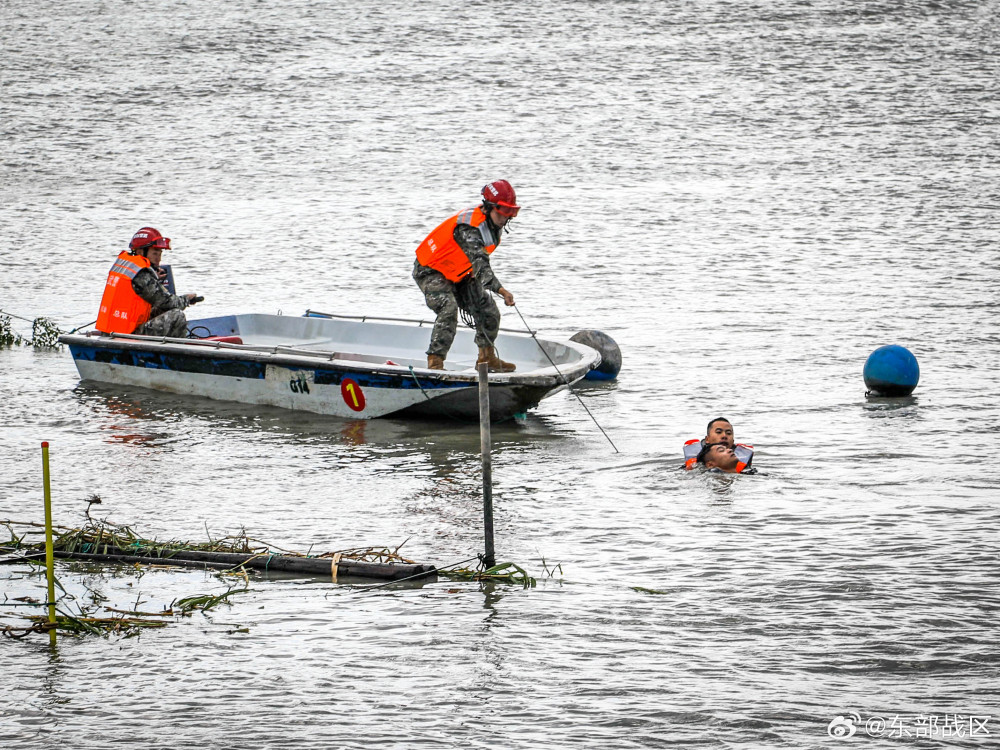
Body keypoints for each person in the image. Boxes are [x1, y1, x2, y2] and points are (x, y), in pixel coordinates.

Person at [413, 180, 520, 371]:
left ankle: (486, 359)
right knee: (448, 308)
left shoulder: (493, 225)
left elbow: (476, 265)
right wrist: (501, 290)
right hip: (431, 269)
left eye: (511, 212)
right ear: (489, 207)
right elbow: (480, 265)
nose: (506, 217)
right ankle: (435, 363)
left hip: (458, 273)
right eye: (503, 211)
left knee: (488, 310)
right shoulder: (469, 228)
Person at [96, 227, 202, 338]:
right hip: (128, 334)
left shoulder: (128, 266)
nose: (159, 259)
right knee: (177, 315)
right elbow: (167, 302)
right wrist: (186, 299)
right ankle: (176, 352)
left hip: (112, 329)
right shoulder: (142, 274)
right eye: (155, 254)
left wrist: (154, 278)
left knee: (160, 309)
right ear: (140, 251)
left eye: (160, 254)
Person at [683, 417, 754, 470]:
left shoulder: (746, 469)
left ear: (733, 441)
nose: (724, 436)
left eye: (728, 433)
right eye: (719, 432)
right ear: (707, 439)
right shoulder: (695, 465)